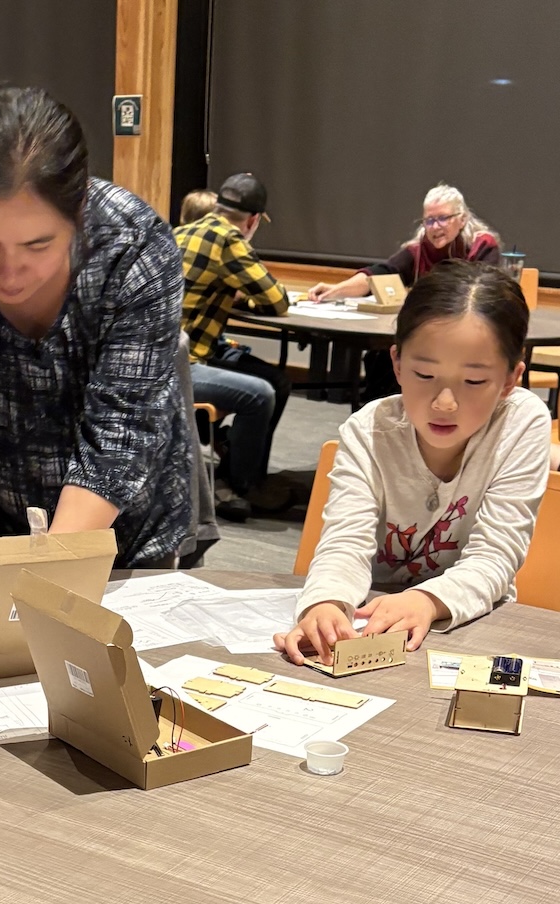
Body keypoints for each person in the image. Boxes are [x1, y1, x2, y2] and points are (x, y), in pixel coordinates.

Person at [0, 85, 191, 632]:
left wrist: (44, 582)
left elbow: (118, 439)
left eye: (37, 245)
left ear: (78, 215)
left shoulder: (132, 247)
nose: (8, 270)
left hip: (121, 543)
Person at [276, 260, 551, 665]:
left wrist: (426, 599)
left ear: (511, 379)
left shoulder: (520, 423)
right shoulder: (368, 431)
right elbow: (344, 543)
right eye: (424, 375)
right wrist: (326, 603)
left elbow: (496, 555)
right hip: (370, 622)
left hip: (468, 621)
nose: (444, 403)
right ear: (398, 364)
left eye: (474, 382)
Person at [308, 184, 502, 402]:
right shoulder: (419, 249)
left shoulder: (482, 245)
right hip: (427, 334)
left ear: (463, 218)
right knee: (383, 358)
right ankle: (382, 420)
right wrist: (336, 290)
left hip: (465, 335)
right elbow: (380, 274)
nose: (435, 227)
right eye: (429, 220)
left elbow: (484, 291)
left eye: (443, 218)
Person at [174, 174, 293, 520]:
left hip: (174, 350)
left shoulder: (184, 231)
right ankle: (238, 486)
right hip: (180, 363)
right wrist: (247, 299)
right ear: (254, 220)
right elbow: (276, 301)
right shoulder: (229, 239)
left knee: (278, 381)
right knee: (261, 394)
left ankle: (243, 467)